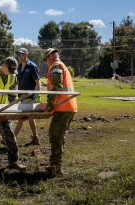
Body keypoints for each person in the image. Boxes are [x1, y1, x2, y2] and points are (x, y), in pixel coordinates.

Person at [44, 48, 77, 177]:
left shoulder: (56, 66)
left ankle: (55, 168)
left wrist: (49, 104)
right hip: (67, 106)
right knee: (58, 136)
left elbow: (56, 87)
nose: (46, 62)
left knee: (55, 136)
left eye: (46, 58)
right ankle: (55, 166)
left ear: (51, 56)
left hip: (63, 107)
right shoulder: (62, 66)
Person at [13, 48, 41, 146]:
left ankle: (12, 138)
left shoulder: (32, 66)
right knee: (30, 117)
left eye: (21, 54)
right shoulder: (19, 67)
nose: (19, 56)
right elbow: (18, 81)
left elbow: (37, 82)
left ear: (26, 54)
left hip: (29, 96)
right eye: (18, 54)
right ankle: (35, 138)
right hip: (21, 96)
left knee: (21, 117)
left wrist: (37, 95)